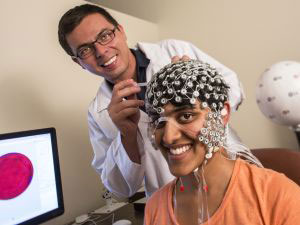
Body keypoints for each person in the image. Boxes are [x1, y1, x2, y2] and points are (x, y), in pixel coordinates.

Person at [58, 4, 245, 198]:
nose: (101, 51)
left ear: (121, 31)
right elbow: (120, 189)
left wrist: (196, 86)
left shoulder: (173, 50)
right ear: (78, 62)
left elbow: (234, 88)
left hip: (231, 182)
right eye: (85, 50)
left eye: (105, 36)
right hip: (172, 204)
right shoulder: (98, 113)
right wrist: (127, 136)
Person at [144, 59, 300, 225]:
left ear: (223, 114)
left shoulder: (276, 196)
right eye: (158, 120)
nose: (168, 137)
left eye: (186, 116)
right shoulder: (155, 207)